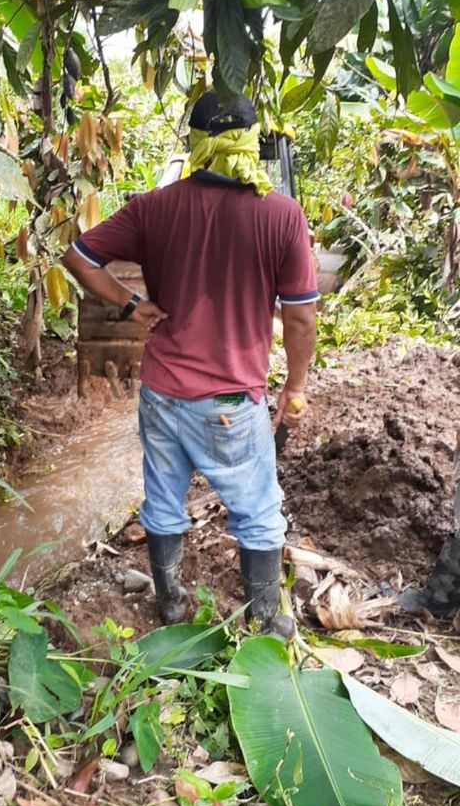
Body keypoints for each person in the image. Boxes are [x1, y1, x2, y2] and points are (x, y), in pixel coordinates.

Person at [61, 90, 318, 634]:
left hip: (161, 391)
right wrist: (295, 387)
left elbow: (79, 257)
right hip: (230, 399)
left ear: (196, 143)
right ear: (252, 142)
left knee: (162, 499)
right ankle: (265, 621)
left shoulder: (155, 207)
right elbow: (299, 319)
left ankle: (171, 605)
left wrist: (130, 304)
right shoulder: (281, 215)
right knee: (257, 511)